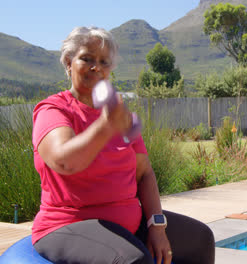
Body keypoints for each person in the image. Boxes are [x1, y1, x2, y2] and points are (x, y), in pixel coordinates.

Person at [31, 26, 215, 264]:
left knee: (200, 239)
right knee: (133, 260)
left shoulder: (120, 115)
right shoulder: (54, 110)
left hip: (127, 223)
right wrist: (107, 126)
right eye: (86, 58)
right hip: (68, 224)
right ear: (68, 62)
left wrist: (156, 227)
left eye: (104, 62)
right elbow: (64, 161)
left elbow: (144, 173)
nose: (96, 67)